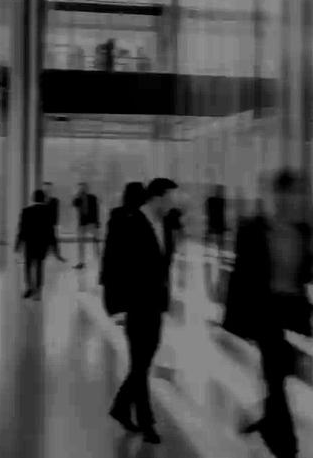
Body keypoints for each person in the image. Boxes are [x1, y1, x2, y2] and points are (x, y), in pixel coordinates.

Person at [222, 169, 313, 457]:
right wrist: (233, 320)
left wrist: (310, 314)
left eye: (293, 195)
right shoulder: (252, 229)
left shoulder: (303, 231)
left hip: (293, 312)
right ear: (273, 196)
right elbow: (240, 276)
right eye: (283, 194)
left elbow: (306, 275)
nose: (288, 201)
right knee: (276, 376)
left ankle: (266, 422)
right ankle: (286, 446)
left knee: (282, 372)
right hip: (265, 312)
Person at [102, 177, 178, 444]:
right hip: (134, 304)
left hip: (155, 303)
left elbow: (164, 264)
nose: (173, 203)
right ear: (156, 197)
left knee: (143, 361)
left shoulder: (166, 223)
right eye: (170, 198)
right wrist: (115, 307)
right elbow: (111, 265)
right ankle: (147, 423)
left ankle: (121, 406)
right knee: (140, 361)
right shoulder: (128, 221)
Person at [15, 190, 58, 300]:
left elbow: (22, 230)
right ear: (43, 199)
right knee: (39, 266)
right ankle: (38, 291)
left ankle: (29, 288)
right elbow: (51, 230)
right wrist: (53, 246)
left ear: (33, 198)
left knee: (28, 266)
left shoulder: (26, 211)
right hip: (42, 244)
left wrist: (18, 245)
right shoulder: (48, 211)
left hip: (30, 243)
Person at [72, 182, 101, 269]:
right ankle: (81, 262)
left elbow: (96, 210)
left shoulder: (93, 197)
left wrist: (97, 222)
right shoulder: (78, 198)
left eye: (83, 188)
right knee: (80, 244)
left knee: (96, 242)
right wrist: (77, 195)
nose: (82, 189)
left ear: (87, 188)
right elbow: (74, 203)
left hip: (92, 223)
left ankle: (99, 260)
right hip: (82, 224)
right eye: (80, 188)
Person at [204, 184, 228, 252]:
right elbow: (222, 213)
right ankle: (217, 252)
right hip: (217, 222)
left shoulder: (212, 200)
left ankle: (212, 252)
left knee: (216, 238)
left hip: (215, 222)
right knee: (218, 239)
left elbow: (208, 210)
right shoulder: (220, 200)